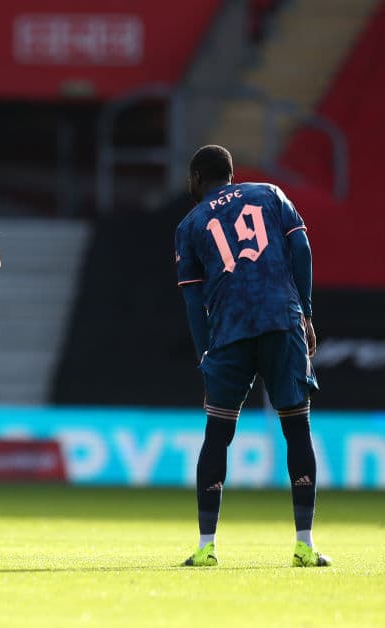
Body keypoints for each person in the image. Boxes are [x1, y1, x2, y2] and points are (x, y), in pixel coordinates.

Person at [174, 144, 330, 568]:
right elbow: (302, 251)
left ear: (197, 179)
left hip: (230, 332)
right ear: (231, 173)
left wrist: (204, 349)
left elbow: (193, 300)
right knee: (296, 429)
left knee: (217, 435)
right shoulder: (270, 194)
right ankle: (305, 545)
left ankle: (206, 547)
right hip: (281, 319)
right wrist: (307, 315)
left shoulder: (190, 224)